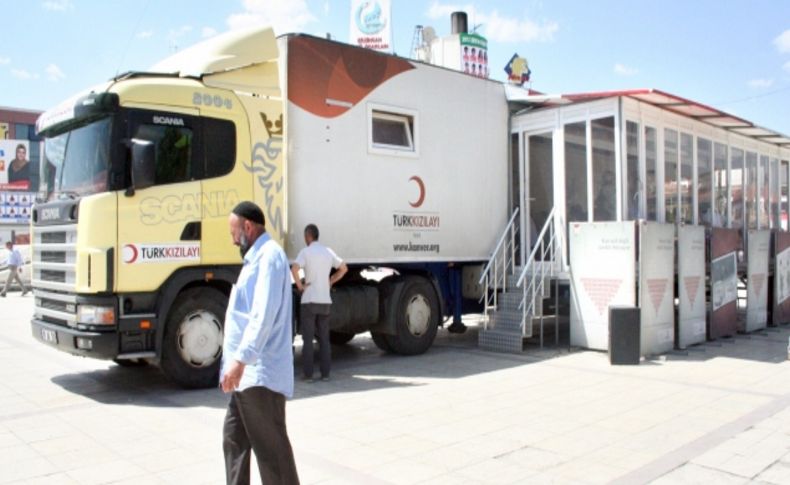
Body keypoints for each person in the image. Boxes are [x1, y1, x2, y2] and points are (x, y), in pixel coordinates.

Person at [220, 201, 299, 485]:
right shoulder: (257, 258)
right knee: (234, 440)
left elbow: (262, 315)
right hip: (247, 377)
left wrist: (241, 360)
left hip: (259, 374)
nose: (233, 240)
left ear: (248, 227)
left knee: (272, 452)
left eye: (234, 233)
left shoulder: (270, 257)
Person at [291, 224, 347, 382]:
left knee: (308, 339)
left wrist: (300, 286)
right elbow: (343, 268)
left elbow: (294, 268)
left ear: (308, 236)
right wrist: (331, 280)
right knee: (324, 339)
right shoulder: (328, 251)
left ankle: (308, 375)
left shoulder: (306, 252)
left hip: (309, 300)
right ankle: (325, 374)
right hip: (325, 301)